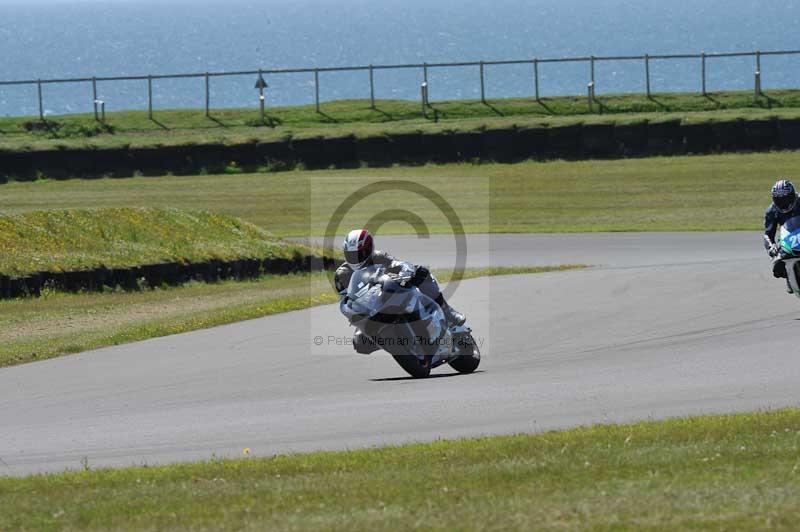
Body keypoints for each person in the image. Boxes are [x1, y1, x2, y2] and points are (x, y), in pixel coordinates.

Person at [334, 229, 465, 354]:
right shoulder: (342, 274)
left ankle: (447, 312)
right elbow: (346, 301)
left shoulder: (379, 256)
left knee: (422, 273)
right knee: (359, 343)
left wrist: (406, 271)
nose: (356, 258)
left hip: (389, 294)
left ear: (369, 249)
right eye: (351, 255)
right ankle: (395, 342)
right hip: (367, 311)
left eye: (360, 253)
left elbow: (399, 265)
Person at [764, 179, 800, 292]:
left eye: (786, 199)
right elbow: (768, 234)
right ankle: (790, 277)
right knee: (777, 268)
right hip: (788, 238)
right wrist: (772, 247)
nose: (783, 203)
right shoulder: (771, 211)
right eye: (779, 200)